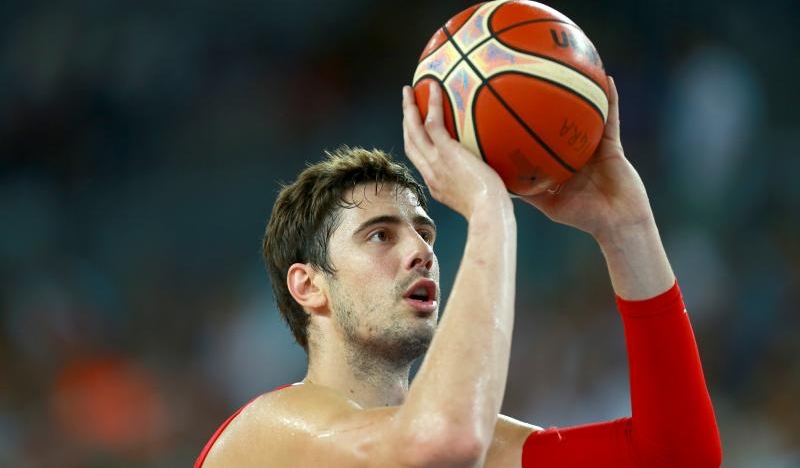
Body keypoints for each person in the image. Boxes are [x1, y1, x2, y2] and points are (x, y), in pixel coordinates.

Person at [196, 78, 722, 467]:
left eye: (426, 233)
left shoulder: (466, 441)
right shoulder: (267, 434)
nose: (422, 251)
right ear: (309, 285)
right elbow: (441, 442)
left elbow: (679, 457)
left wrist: (626, 227)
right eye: (380, 234)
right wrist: (490, 208)